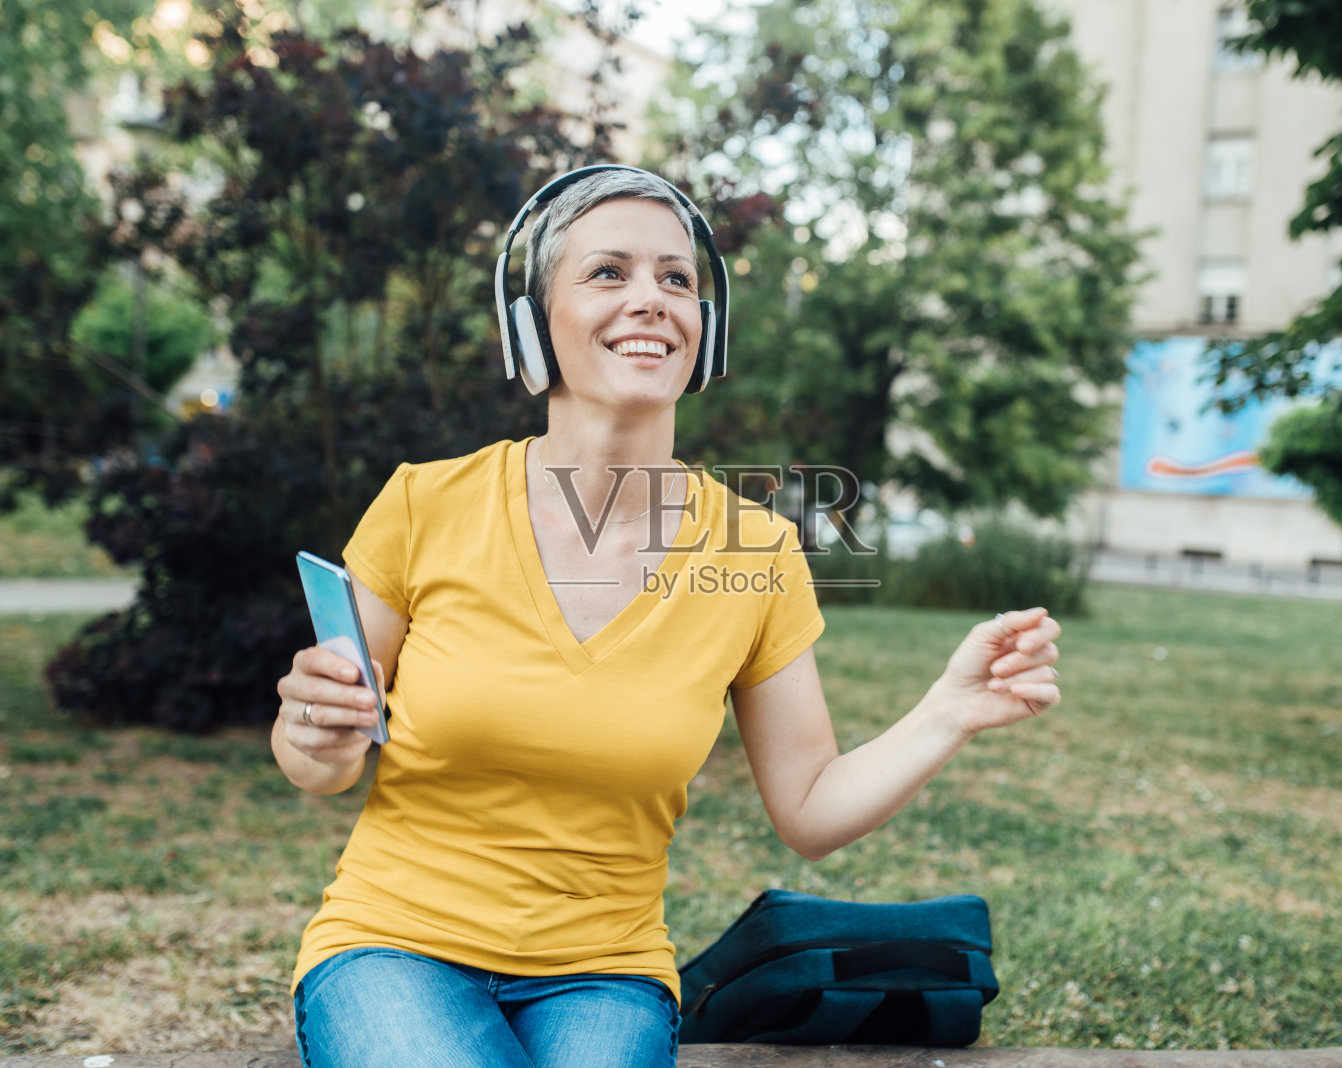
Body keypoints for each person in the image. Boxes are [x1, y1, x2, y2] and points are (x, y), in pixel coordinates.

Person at [273, 166, 1062, 1068]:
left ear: (705, 332)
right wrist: (313, 734)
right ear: (532, 326)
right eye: (608, 272)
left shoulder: (755, 553)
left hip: (604, 977)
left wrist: (948, 711)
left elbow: (810, 808)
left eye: (676, 279)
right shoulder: (426, 505)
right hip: (391, 948)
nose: (650, 298)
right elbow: (319, 763)